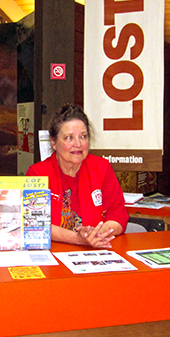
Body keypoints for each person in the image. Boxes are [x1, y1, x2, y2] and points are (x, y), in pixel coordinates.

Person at [26, 104, 128, 248]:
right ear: (54, 142)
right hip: (53, 254)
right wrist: (78, 238)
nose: (78, 144)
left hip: (96, 251)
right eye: (69, 138)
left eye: (83, 137)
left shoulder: (101, 167)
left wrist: (96, 234)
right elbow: (35, 224)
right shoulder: (38, 173)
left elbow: (118, 216)